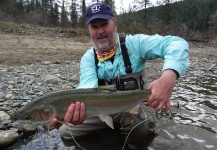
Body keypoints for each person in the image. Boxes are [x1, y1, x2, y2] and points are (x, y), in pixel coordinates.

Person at [50, 2, 189, 150]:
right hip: (99, 110)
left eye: (104, 24)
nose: (100, 31)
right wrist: (76, 110)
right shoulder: (88, 58)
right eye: (94, 27)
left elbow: (176, 43)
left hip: (132, 106)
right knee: (67, 132)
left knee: (141, 134)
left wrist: (168, 78)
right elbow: (86, 87)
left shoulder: (135, 44)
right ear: (89, 30)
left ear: (114, 24)